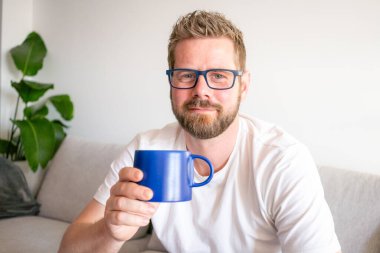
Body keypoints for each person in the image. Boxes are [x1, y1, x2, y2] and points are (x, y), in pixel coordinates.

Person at [59, 10, 341, 253]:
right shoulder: (147, 149)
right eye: (186, 75)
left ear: (243, 85)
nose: (201, 91)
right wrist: (109, 231)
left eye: (219, 76)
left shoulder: (282, 161)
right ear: (171, 83)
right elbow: (68, 247)